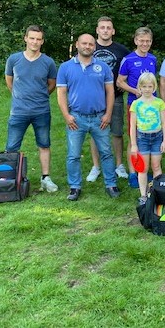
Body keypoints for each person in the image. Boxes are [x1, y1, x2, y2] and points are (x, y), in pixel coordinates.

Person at [56, 34, 120, 201]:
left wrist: (108, 114)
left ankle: (111, 184)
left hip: (100, 118)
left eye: (91, 44)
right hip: (76, 119)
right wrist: (66, 116)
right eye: (84, 43)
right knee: (73, 154)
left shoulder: (103, 67)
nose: (87, 46)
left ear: (94, 47)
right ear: (77, 44)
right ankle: (74, 187)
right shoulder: (65, 67)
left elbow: (110, 92)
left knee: (106, 152)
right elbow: (61, 93)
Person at [4, 25, 58, 193]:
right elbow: (9, 81)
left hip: (41, 111)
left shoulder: (48, 62)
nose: (35, 42)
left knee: (44, 144)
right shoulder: (14, 59)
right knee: (12, 146)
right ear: (25, 38)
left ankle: (45, 178)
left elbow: (51, 85)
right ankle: (9, 178)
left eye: (38, 39)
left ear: (42, 41)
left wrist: (39, 96)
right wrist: (20, 96)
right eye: (32, 38)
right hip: (18, 111)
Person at [87, 16, 131, 183]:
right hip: (94, 99)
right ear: (97, 30)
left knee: (117, 132)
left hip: (116, 97)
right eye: (102, 27)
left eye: (108, 28)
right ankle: (96, 166)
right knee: (95, 132)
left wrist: (124, 83)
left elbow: (129, 70)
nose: (105, 30)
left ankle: (119, 165)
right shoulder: (89, 47)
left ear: (113, 31)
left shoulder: (122, 50)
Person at [117, 27, 157, 184]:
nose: (144, 43)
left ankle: (150, 170)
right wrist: (135, 91)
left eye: (147, 41)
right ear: (135, 41)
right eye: (141, 41)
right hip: (134, 105)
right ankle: (133, 172)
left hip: (151, 106)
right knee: (133, 137)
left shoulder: (153, 59)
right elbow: (119, 81)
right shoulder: (128, 60)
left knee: (151, 136)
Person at [129, 72, 165, 206]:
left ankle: (158, 192)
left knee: (156, 166)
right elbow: (132, 126)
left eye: (149, 86)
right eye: (144, 86)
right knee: (143, 168)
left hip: (157, 138)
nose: (147, 89)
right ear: (139, 87)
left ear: (154, 87)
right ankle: (143, 195)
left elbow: (164, 123)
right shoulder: (136, 104)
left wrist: (164, 140)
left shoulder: (159, 103)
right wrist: (134, 144)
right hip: (142, 138)